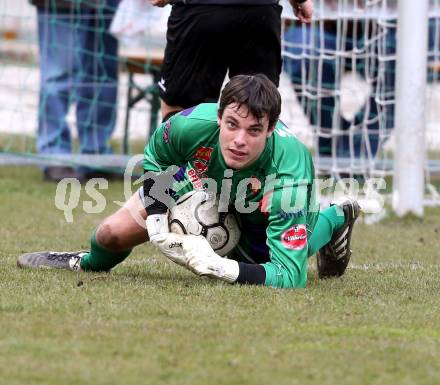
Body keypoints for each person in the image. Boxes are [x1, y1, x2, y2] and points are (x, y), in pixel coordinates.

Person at [17, 74, 360, 288]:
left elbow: (290, 277)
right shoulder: (188, 125)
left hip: (258, 210)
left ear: (270, 130)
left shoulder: (290, 170)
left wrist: (222, 268)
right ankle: (85, 262)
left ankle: (334, 217)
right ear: (218, 117)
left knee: (265, 263)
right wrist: (156, 216)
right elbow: (155, 160)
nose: (240, 139)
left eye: (254, 130)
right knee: (111, 234)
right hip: (203, 187)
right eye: (232, 125)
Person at [283, 3, 439, 160]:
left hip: (386, 32)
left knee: (408, 61)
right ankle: (334, 148)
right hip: (322, 29)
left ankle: (356, 152)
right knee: (300, 49)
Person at [150, 0, 314, 121]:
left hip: (202, 10)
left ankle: (186, 166)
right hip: (260, 12)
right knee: (257, 107)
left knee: (181, 110)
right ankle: (248, 167)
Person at [31, 0, 120, 181]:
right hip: (62, 4)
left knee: (102, 74)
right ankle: (55, 157)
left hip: (108, 5)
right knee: (59, 74)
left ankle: (96, 155)